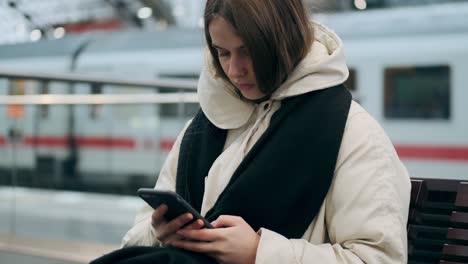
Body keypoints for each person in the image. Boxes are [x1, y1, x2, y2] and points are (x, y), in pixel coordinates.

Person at [91, 0, 410, 263]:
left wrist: (260, 253)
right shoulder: (209, 120)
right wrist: (160, 232)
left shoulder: (354, 133)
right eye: (223, 53)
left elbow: (378, 258)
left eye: (248, 51)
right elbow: (137, 234)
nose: (234, 70)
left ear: (284, 41)